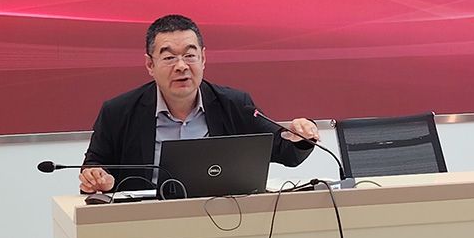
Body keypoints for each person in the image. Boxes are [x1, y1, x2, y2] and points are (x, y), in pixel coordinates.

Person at [80, 14, 319, 193]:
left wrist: (303, 134)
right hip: (145, 220)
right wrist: (99, 179)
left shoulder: (235, 105)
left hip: (223, 218)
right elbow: (94, 165)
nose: (181, 66)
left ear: (203, 58)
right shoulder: (118, 112)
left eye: (189, 55)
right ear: (150, 65)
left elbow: (285, 151)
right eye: (169, 57)